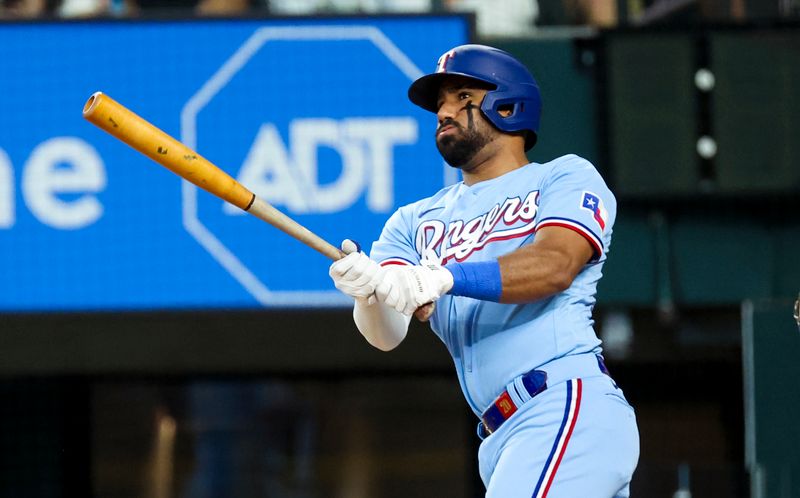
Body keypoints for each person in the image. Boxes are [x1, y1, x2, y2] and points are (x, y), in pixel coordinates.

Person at [328, 44, 639, 497]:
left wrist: (447, 276)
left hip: (562, 405)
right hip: (500, 435)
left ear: (508, 104)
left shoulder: (562, 177)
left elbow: (555, 265)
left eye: (461, 98)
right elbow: (386, 334)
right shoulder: (413, 221)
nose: (443, 112)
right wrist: (369, 292)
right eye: (439, 104)